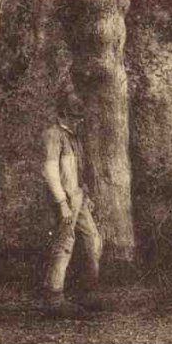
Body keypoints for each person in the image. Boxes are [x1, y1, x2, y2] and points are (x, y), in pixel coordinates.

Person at [41, 94, 103, 316]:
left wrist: (85, 196)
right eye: (75, 117)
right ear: (64, 114)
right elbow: (50, 173)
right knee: (64, 244)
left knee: (93, 239)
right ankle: (54, 299)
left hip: (78, 197)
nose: (79, 121)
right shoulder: (53, 135)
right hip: (64, 201)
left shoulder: (73, 137)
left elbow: (76, 172)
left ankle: (87, 293)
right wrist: (61, 203)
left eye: (80, 117)